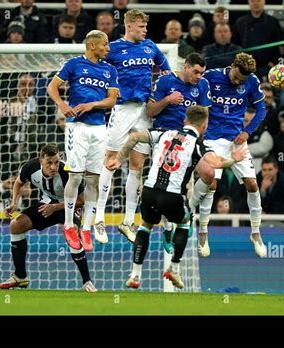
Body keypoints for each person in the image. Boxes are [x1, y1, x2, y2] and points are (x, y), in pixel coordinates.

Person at [106, 105, 248, 289]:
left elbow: (134, 137)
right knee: (184, 222)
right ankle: (174, 268)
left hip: (149, 191)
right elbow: (216, 163)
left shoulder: (165, 133)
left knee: (146, 226)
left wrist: (119, 158)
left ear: (185, 121)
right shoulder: (198, 144)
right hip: (172, 196)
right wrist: (234, 159)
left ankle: (135, 274)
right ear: (204, 126)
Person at [94, 10, 171, 244]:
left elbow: (166, 71)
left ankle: (128, 221)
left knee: (137, 167)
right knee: (111, 161)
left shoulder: (151, 47)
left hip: (144, 111)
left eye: (146, 26)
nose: (145, 30)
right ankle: (99, 218)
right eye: (140, 26)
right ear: (128, 27)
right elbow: (96, 68)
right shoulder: (114, 48)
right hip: (122, 109)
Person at [188, 52, 267, 258]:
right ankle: (203, 231)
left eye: (241, 80)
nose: (237, 81)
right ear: (232, 66)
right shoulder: (211, 77)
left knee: (252, 184)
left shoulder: (252, 81)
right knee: (211, 183)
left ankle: (256, 232)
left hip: (235, 140)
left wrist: (247, 132)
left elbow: (261, 110)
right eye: (236, 77)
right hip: (211, 138)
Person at [47, 30, 119, 250]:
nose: (108, 48)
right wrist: (62, 105)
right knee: (76, 176)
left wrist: (92, 105)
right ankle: (69, 225)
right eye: (105, 45)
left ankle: (86, 228)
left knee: (94, 180)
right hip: (76, 127)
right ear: (92, 45)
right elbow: (52, 87)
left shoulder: (110, 70)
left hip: (99, 128)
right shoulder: (74, 64)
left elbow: (112, 100)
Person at [0, 145, 97, 293]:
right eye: (49, 162)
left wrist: (55, 207)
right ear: (41, 161)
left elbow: (82, 201)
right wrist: (14, 203)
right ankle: (20, 276)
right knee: (16, 225)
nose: (54, 167)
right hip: (48, 203)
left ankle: (87, 282)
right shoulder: (30, 168)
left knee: (72, 232)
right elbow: (18, 182)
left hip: (70, 206)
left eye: (56, 162)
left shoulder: (67, 172)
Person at [147, 52, 211, 252]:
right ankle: (166, 228)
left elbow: (204, 116)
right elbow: (150, 111)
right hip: (164, 138)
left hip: (188, 141)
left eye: (201, 73)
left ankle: (187, 216)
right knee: (162, 186)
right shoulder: (165, 81)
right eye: (195, 72)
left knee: (186, 187)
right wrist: (167, 100)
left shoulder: (202, 85)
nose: (198, 76)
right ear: (185, 66)